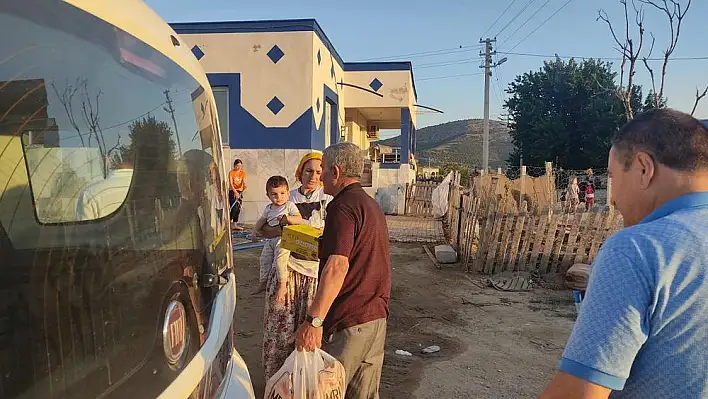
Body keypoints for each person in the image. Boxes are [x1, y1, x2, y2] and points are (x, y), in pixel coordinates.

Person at [540, 108, 708, 398]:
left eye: (614, 176)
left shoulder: (640, 248)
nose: (613, 198)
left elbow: (579, 393)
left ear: (644, 168)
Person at [295, 142, 391, 399]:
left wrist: (313, 321)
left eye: (324, 170)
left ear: (335, 172)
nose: (320, 176)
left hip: (350, 323)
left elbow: (338, 266)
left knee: (327, 392)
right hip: (375, 320)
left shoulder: (341, 206)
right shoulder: (371, 206)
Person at [258, 151, 332, 383]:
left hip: (313, 275)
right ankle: (277, 384)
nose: (313, 176)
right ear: (300, 172)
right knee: (279, 330)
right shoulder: (285, 198)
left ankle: (304, 385)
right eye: (309, 170)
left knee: (307, 332)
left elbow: (329, 235)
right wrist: (286, 232)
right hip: (287, 273)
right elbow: (266, 230)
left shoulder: (328, 200)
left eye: (319, 172)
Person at [251, 176, 303, 297]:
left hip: (283, 240)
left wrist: (287, 219)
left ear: (288, 193)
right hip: (270, 240)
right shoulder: (268, 208)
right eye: (274, 194)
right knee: (264, 259)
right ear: (268, 195)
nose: (279, 197)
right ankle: (263, 282)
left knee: (280, 261)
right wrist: (254, 230)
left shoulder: (289, 206)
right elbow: (261, 220)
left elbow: (299, 219)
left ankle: (282, 285)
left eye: (282, 193)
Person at [228, 159, 247, 230]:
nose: (239, 167)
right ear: (234, 165)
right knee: (233, 208)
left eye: (240, 166)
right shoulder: (231, 172)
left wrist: (244, 185)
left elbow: (244, 182)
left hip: (240, 191)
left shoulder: (243, 173)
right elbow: (231, 183)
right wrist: (235, 192)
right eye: (237, 166)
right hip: (232, 191)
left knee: (238, 208)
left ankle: (235, 225)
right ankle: (229, 224)